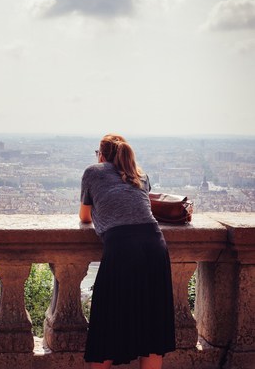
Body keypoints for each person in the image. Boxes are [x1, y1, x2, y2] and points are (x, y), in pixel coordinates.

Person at [79, 134, 175, 369]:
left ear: (101, 155)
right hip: (154, 245)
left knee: (108, 325)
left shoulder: (93, 172)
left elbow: (84, 216)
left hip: (122, 247)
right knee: (152, 330)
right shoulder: (140, 174)